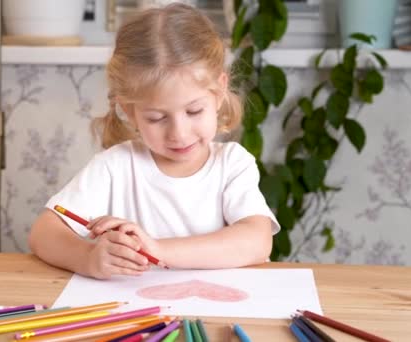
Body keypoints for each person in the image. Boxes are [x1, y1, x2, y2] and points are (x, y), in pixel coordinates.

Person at [29, 3, 279, 280]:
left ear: (219, 92)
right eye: (157, 118)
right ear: (129, 111)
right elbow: (44, 233)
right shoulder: (116, 166)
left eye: (194, 111)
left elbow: (258, 241)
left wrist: (159, 250)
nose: (179, 133)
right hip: (141, 316)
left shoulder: (233, 164)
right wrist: (87, 257)